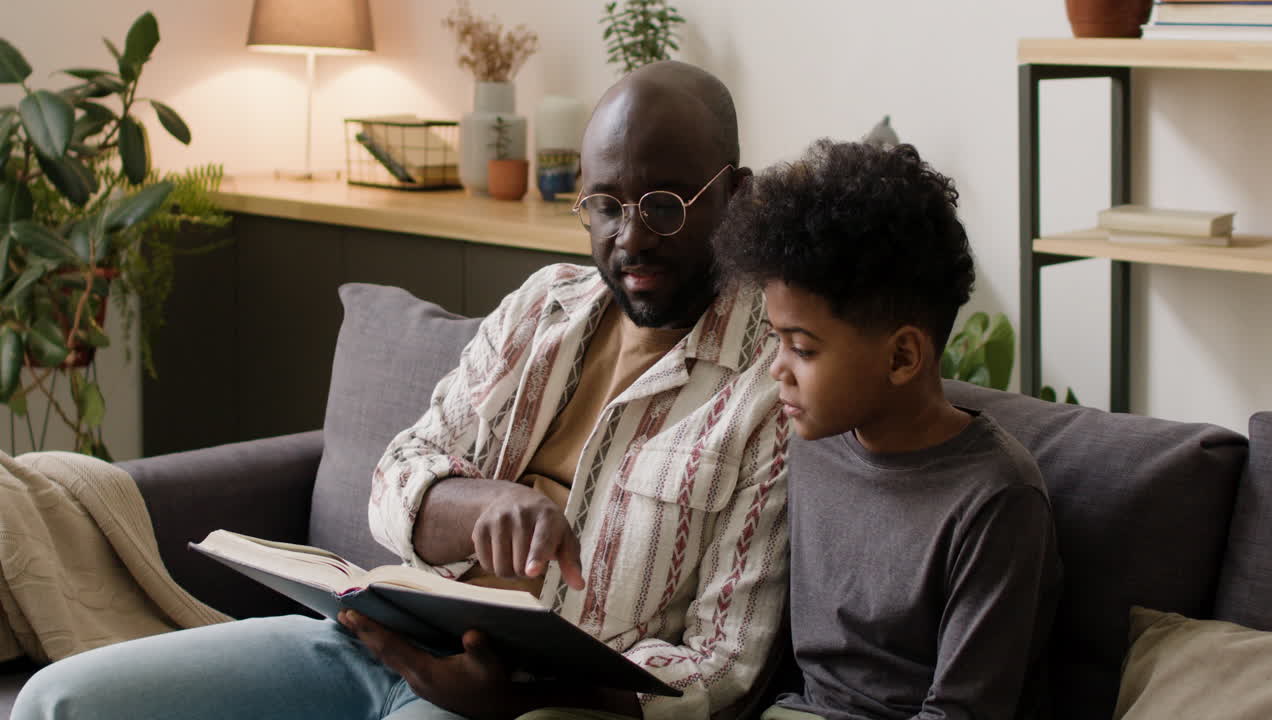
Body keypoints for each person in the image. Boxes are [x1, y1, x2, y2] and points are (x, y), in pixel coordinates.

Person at [12, 61, 789, 720]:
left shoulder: (774, 388)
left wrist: (522, 694)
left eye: (664, 205)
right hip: (370, 644)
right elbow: (397, 475)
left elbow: (722, 669)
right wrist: (481, 503)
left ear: (738, 195)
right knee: (60, 699)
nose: (631, 238)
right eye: (606, 205)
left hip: (529, 703)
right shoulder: (541, 306)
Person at [713, 139, 1062, 720]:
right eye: (777, 340)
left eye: (803, 348)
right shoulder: (812, 444)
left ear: (902, 357)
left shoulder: (997, 502)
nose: (777, 369)